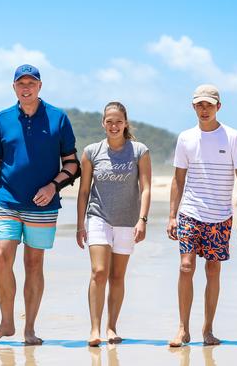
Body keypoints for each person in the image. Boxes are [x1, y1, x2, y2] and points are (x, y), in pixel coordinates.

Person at [0, 64, 80, 345]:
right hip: (7, 200)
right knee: (1, 257)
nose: (26, 88)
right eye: (20, 83)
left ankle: (29, 329)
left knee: (34, 264)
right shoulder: (3, 119)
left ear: (40, 86)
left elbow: (72, 164)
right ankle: (6, 323)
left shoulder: (58, 118)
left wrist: (53, 185)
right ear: (13, 88)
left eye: (31, 83)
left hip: (43, 206)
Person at [166, 84, 237, 347]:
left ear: (218, 107)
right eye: (199, 105)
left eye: (209, 104)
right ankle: (182, 329)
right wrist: (172, 216)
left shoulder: (233, 137)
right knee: (185, 267)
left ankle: (207, 330)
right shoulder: (185, 138)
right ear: (193, 106)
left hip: (220, 216)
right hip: (191, 212)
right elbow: (178, 179)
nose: (204, 109)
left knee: (213, 270)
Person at [76, 101, 152, 347]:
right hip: (98, 216)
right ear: (103, 123)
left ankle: (111, 327)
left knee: (117, 276)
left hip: (127, 220)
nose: (114, 125)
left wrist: (142, 219)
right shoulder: (91, 152)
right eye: (109, 121)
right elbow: (84, 190)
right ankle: (95, 328)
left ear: (125, 123)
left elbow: (146, 187)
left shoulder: (139, 151)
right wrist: (80, 224)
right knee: (99, 272)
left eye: (118, 121)